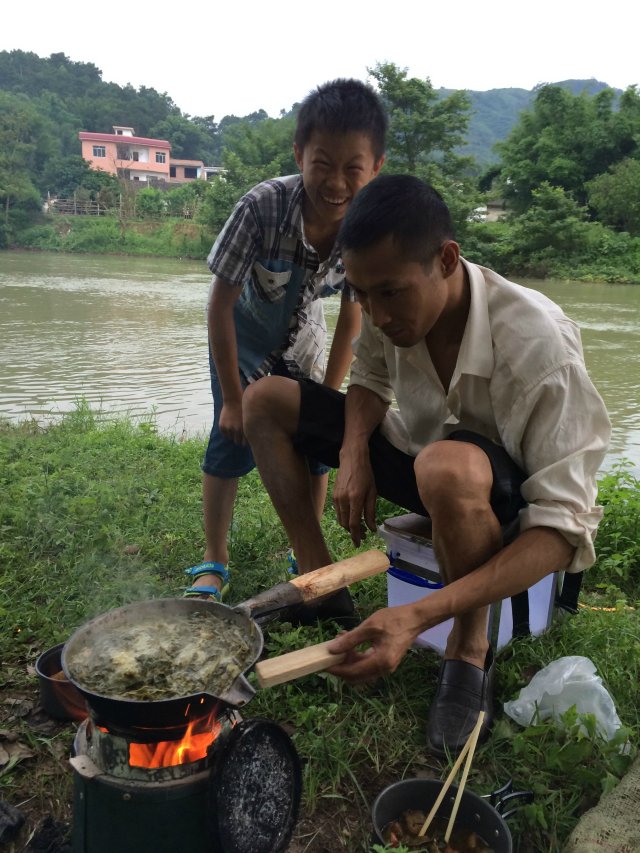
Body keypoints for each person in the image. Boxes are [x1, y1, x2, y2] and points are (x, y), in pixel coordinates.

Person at [242, 174, 611, 755]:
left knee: (447, 468)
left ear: (446, 259)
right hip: (421, 463)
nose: (376, 314)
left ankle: (469, 651)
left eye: (389, 293)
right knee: (265, 400)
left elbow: (564, 531)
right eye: (361, 295)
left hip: (495, 501)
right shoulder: (385, 306)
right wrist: (354, 450)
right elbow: (367, 377)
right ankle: (321, 588)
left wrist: (417, 616)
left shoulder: (541, 346)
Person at [185, 79, 386, 620]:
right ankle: (213, 561)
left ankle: (304, 556)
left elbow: (351, 320)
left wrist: (325, 396)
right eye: (323, 163)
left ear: (376, 167)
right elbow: (219, 304)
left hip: (306, 337)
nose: (337, 182)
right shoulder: (262, 207)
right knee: (229, 442)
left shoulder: (365, 228)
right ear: (299, 154)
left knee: (315, 447)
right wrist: (232, 397)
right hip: (243, 335)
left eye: (353, 167)